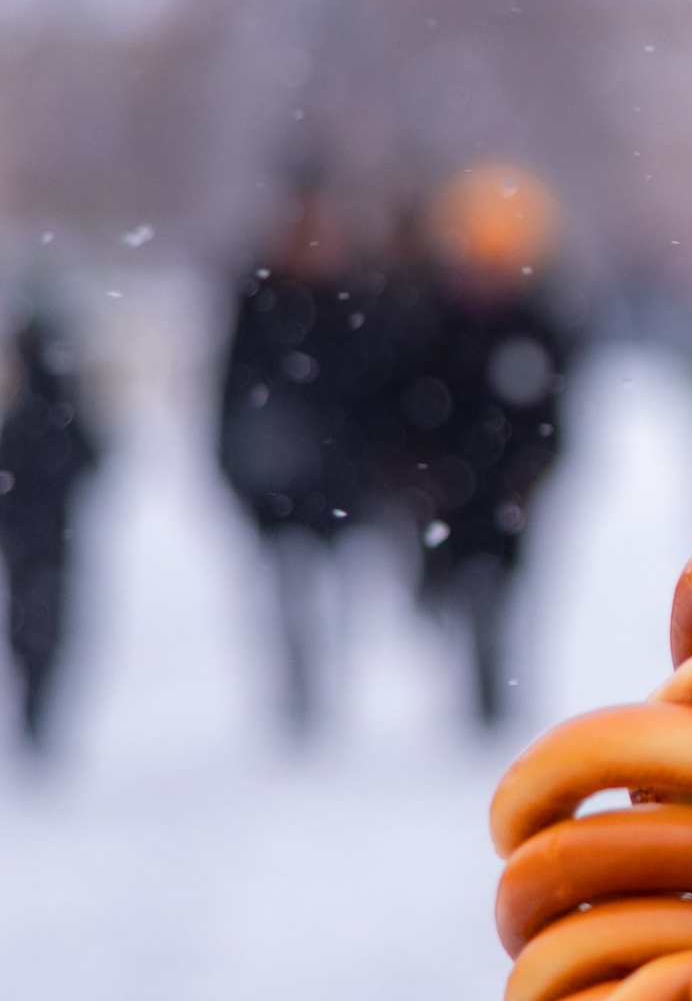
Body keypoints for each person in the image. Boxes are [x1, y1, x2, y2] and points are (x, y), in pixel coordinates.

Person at [402, 165, 573, 729]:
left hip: (507, 482)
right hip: (449, 482)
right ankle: (475, 671)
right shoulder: (432, 321)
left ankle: (492, 691)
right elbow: (409, 398)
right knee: (452, 574)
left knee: (499, 583)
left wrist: (537, 468)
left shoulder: (535, 324)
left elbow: (551, 408)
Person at [217, 185, 371, 739]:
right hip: (279, 484)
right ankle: (296, 693)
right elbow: (230, 393)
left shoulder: (349, 298)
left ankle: (324, 689)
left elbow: (371, 394)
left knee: (332, 595)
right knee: (288, 591)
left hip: (336, 486)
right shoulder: (262, 301)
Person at [0, 313, 99, 753]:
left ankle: (36, 707)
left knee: (36, 619)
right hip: (46, 530)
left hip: (38, 530)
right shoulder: (59, 402)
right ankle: (36, 707)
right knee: (42, 620)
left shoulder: (40, 403)